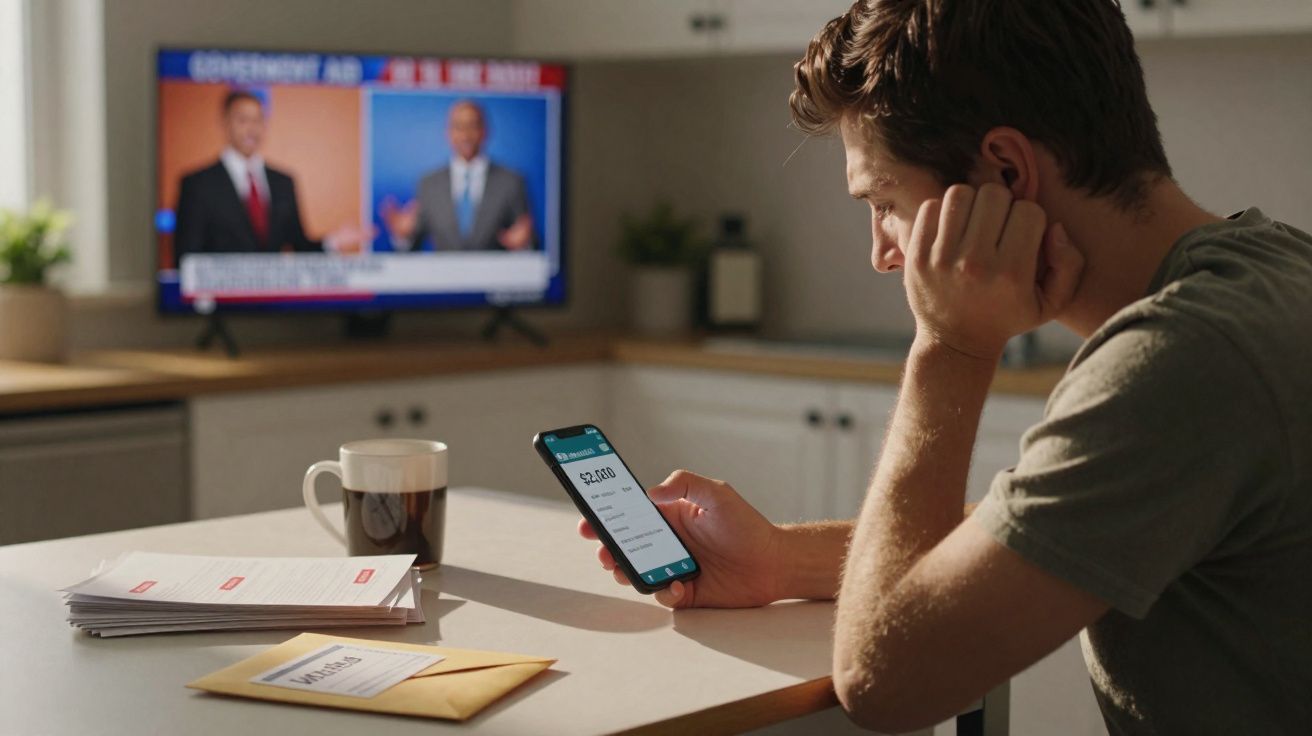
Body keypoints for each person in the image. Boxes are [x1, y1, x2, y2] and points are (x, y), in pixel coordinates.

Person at [578, 2, 1312, 733]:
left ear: (1004, 172)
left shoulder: (1181, 362)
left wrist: (948, 347)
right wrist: (778, 559)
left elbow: (884, 682)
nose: (881, 253)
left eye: (884, 201)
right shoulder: (1274, 269)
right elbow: (1050, 523)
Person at [173, 90, 373, 259]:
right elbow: (187, 257)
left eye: (258, 120)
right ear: (225, 123)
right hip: (220, 294)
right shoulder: (197, 184)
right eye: (243, 120)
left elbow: (299, 246)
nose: (252, 129)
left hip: (273, 295)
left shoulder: (283, 182)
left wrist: (333, 242)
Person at [379, 99, 535, 252]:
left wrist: (523, 245)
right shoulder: (428, 184)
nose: (465, 135)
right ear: (449, 133)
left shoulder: (511, 182)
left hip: (496, 270)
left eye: (472, 126)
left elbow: (528, 239)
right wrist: (403, 237)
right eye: (458, 127)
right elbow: (413, 246)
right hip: (443, 270)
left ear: (485, 131)